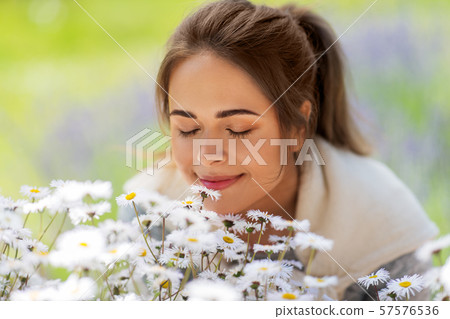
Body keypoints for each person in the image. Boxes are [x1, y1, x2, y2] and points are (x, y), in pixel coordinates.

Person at [120, 0, 439, 300]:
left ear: (298, 126)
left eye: (239, 129)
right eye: (187, 130)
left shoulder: (380, 226)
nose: (207, 154)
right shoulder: (152, 214)